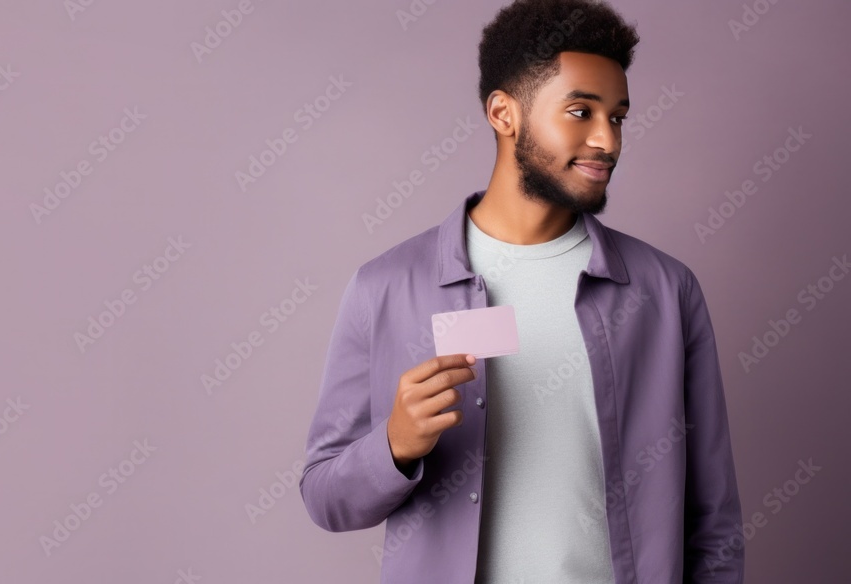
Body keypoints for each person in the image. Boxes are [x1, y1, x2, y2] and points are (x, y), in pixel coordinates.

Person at [299, 0, 744, 582]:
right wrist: (394, 444)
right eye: (581, 111)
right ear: (504, 114)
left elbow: (714, 520)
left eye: (619, 117)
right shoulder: (385, 287)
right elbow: (324, 496)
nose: (607, 140)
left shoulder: (664, 291)